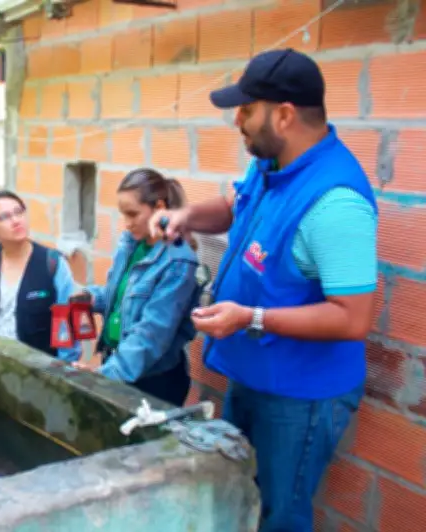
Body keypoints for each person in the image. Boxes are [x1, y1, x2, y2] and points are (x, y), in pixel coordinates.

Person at [151, 49, 377, 532]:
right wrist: (187, 216)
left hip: (300, 396)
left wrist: (250, 318)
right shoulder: (272, 164)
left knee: (279, 516)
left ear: (284, 115)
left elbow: (352, 317)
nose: (238, 120)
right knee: (241, 499)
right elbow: (234, 205)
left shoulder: (335, 202)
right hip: (256, 375)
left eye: (247, 109)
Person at [72, 169, 200, 406]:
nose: (127, 223)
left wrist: (105, 376)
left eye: (133, 214)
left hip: (153, 382)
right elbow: (122, 297)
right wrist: (92, 297)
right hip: (119, 366)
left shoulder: (178, 262)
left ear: (159, 207)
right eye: (123, 214)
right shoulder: (132, 244)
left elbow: (152, 335)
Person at [0, 190, 80, 361]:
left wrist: (66, 366)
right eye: (4, 217)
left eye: (18, 212)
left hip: (37, 368)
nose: (15, 221)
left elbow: (67, 322)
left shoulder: (52, 263)